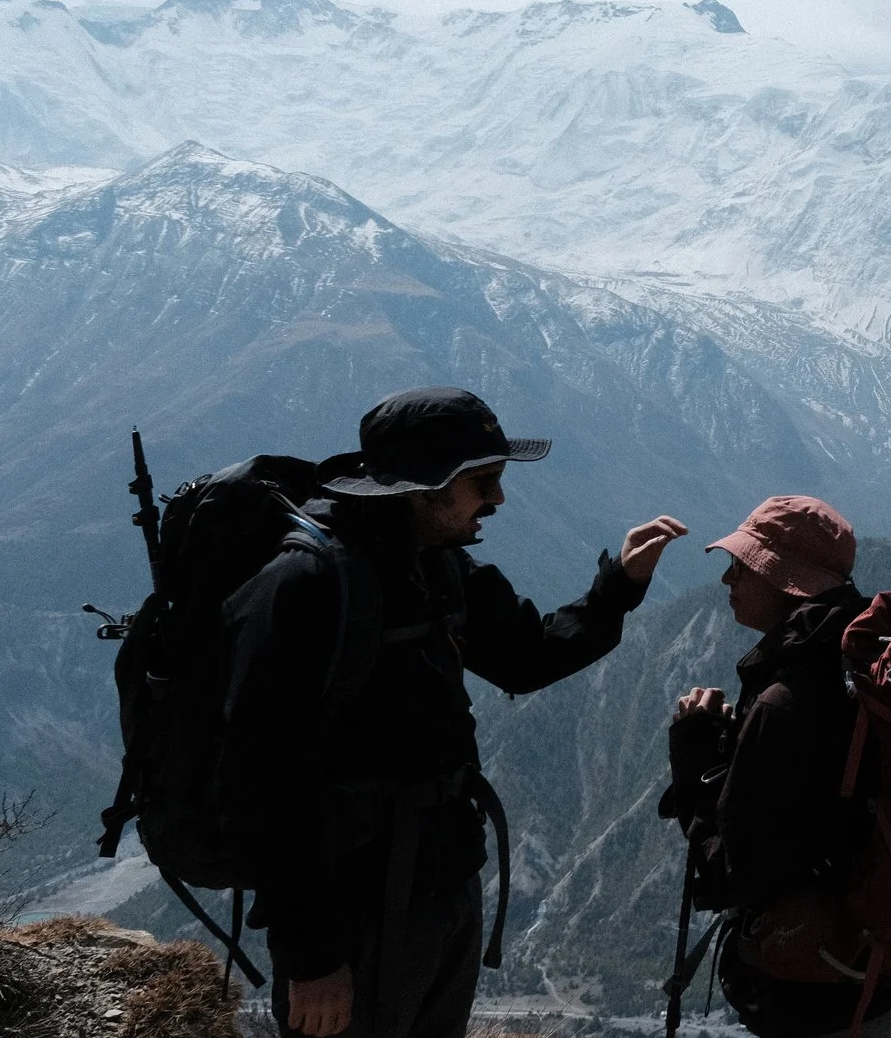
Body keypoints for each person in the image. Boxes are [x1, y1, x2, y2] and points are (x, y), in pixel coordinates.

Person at [218, 387, 688, 1038]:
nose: (498, 498)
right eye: (484, 481)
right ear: (424, 485)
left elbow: (525, 654)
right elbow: (261, 786)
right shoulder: (304, 586)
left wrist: (619, 587)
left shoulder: (435, 566)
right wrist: (314, 957)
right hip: (354, 911)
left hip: (438, 885)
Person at [662, 495, 891, 1038]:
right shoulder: (867, 664)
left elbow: (729, 876)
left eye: (742, 565)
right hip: (883, 971)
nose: (728, 579)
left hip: (815, 988)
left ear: (786, 580)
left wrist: (691, 759)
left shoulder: (787, 699)